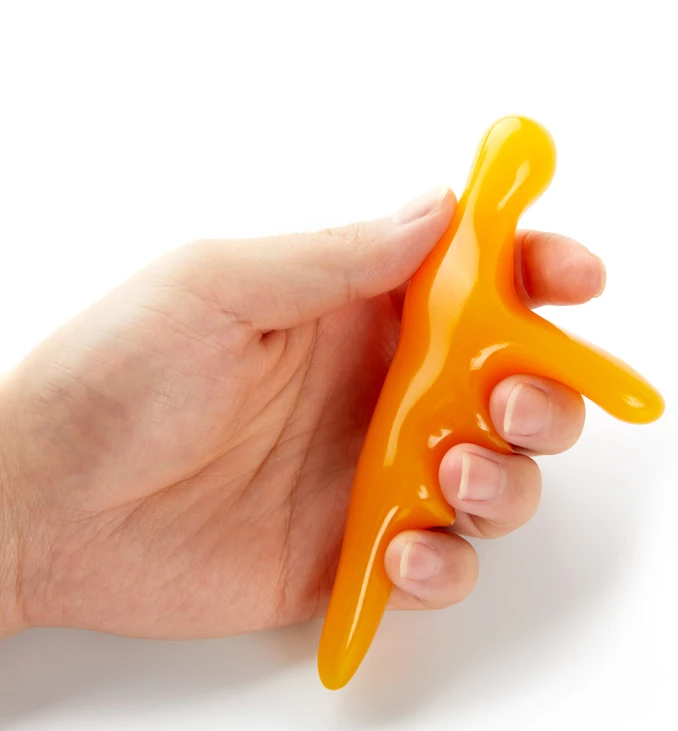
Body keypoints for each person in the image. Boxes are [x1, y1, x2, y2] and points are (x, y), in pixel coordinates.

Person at [0, 186, 604, 640]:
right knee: (397, 539)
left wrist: (31, 511)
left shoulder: (462, 274)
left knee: (402, 536)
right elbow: (572, 361)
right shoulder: (458, 274)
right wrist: (25, 502)